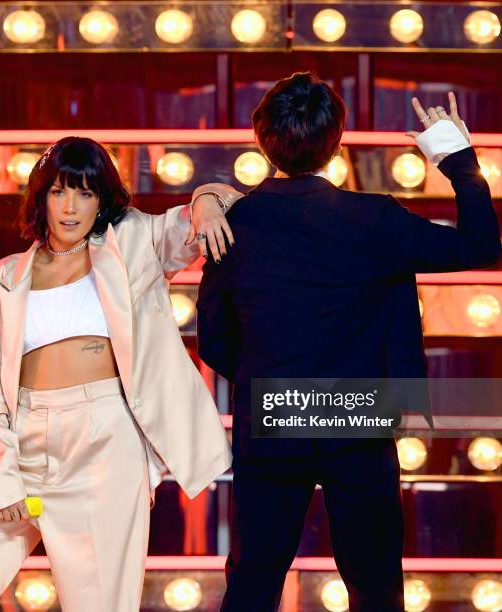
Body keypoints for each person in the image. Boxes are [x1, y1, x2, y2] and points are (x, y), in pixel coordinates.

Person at [0, 136, 244, 612]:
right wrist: (3, 476)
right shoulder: (2, 279)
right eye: (60, 192)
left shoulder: (134, 241)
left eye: (85, 193)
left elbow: (230, 201)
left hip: (104, 442)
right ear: (41, 196)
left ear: (102, 200)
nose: (71, 207)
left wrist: (204, 198)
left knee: (100, 603)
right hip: (21, 442)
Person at [196, 72, 500, 611]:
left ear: (260, 136)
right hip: (357, 411)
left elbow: (215, 337)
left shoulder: (237, 221)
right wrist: (458, 162)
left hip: (274, 411)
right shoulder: (373, 219)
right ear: (337, 142)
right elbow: (481, 245)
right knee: (375, 583)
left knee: (253, 583)